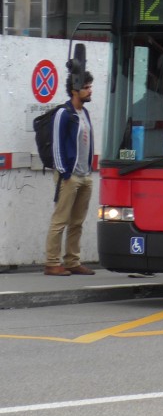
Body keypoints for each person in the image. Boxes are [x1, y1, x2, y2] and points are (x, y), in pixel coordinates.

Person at [44, 71, 96, 276]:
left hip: (85, 175)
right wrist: (65, 173)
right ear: (75, 90)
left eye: (90, 86)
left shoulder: (85, 113)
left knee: (77, 222)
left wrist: (88, 171)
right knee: (60, 221)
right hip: (70, 175)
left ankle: (72, 261)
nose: (90, 91)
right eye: (87, 87)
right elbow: (57, 145)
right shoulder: (63, 114)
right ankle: (51, 262)